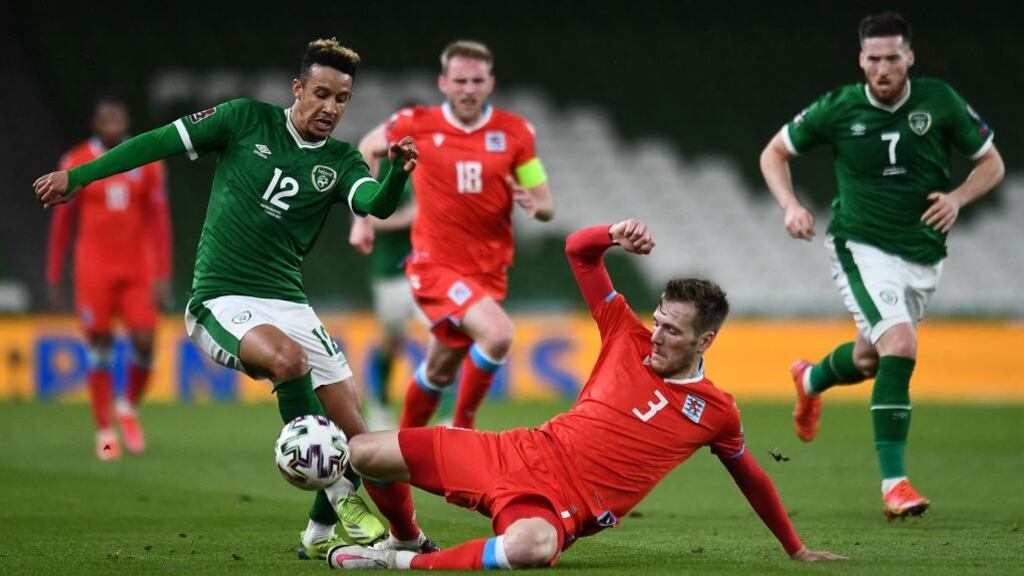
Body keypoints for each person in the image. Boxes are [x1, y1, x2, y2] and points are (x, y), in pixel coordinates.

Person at [34, 39, 436, 559]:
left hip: (289, 303)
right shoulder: (244, 119)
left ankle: (363, 537)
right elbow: (158, 142)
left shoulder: (339, 160)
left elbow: (375, 205)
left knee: (359, 439)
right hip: (221, 299)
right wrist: (79, 178)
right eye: (321, 94)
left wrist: (398, 173)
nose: (331, 108)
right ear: (297, 89)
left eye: (342, 100)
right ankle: (338, 496)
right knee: (288, 362)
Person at [324, 219, 847, 570]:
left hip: (561, 504)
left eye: (673, 331)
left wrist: (795, 548)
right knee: (365, 452)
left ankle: (397, 564)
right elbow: (580, 252)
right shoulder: (625, 332)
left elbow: (750, 475)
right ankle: (407, 536)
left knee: (531, 547)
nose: (657, 336)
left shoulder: (715, 411)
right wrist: (613, 233)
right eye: (659, 320)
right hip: (514, 450)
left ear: (705, 341)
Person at [759, 12, 1004, 521]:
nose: (884, 68)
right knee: (900, 345)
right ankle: (895, 485)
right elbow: (774, 153)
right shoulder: (839, 107)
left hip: (922, 253)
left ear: (910, 57)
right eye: (874, 59)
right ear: (861, 61)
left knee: (870, 360)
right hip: (860, 245)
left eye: (893, 57)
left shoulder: (940, 100)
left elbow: (992, 164)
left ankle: (810, 381)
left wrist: (957, 199)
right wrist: (790, 204)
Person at [379, 40, 555, 430]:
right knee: (497, 334)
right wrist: (364, 216)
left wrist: (533, 202)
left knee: (440, 369)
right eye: (460, 80)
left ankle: (401, 446)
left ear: (490, 83)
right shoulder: (415, 122)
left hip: (488, 272)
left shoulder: (516, 133)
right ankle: (463, 430)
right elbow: (369, 147)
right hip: (435, 265)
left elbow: (546, 203)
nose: (469, 89)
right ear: (444, 83)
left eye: (477, 81)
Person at [45, 96, 172, 460]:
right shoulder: (75, 161)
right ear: (95, 125)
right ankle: (104, 433)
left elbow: (160, 223)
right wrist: (54, 276)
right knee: (99, 345)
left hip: (138, 270)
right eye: (107, 119)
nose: (114, 124)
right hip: (93, 271)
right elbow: (61, 226)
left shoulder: (147, 161)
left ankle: (128, 408)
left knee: (146, 341)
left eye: (120, 117)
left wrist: (163, 273)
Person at [350, 111, 432, 431]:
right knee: (392, 341)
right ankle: (380, 402)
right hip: (391, 270)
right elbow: (370, 217)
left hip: (429, 268)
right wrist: (414, 215)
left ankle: (447, 417)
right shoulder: (383, 166)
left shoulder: (432, 167)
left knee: (444, 338)